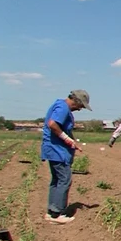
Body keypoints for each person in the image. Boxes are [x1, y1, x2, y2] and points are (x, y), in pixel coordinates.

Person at [40, 90, 91, 224]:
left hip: (54, 150)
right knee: (64, 180)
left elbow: (63, 129)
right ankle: (57, 214)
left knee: (57, 180)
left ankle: (52, 212)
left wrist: (73, 143)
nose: (80, 109)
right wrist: (67, 140)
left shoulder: (60, 105)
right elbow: (52, 124)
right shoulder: (63, 108)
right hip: (57, 151)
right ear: (77, 101)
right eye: (81, 106)